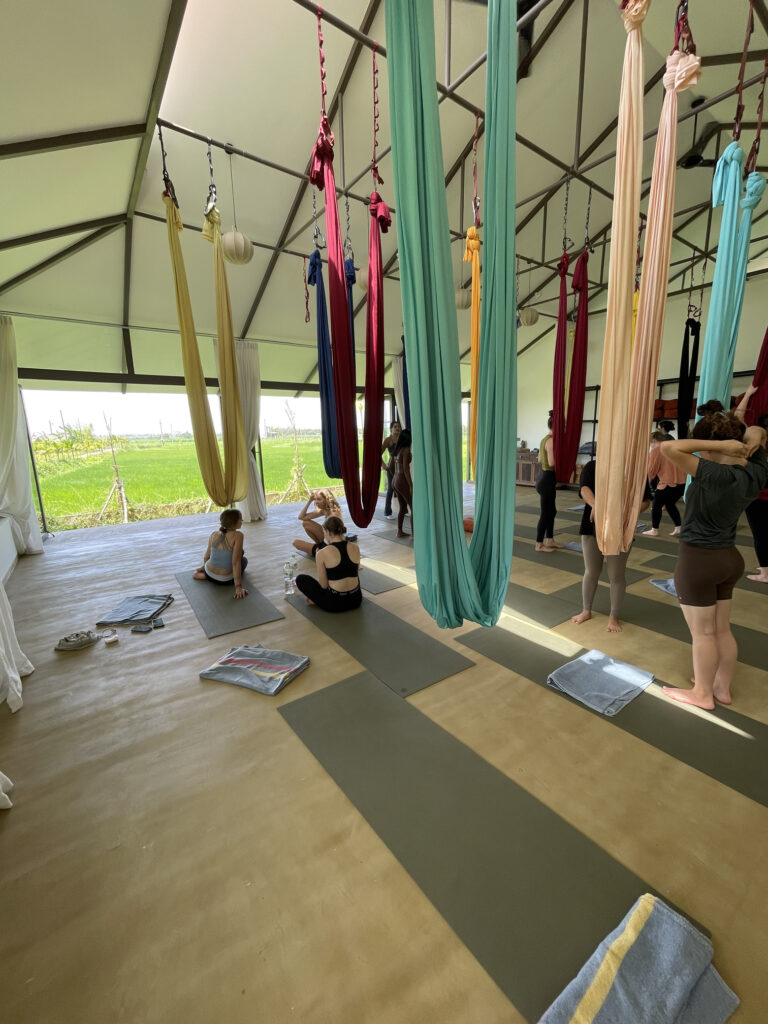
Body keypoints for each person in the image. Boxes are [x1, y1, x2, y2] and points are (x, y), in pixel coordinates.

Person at [659, 401, 768, 709]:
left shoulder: (714, 475)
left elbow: (670, 449)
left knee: (703, 634)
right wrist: (749, 441)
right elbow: (758, 430)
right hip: (729, 559)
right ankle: (720, 687)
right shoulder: (757, 471)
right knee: (720, 630)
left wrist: (716, 445)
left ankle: (702, 694)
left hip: (699, 563)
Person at [570, 458, 650, 633]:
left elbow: (646, 500)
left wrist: (627, 511)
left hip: (620, 528)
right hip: (592, 525)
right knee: (591, 571)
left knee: (616, 575)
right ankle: (586, 610)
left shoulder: (634, 470)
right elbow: (584, 489)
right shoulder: (593, 466)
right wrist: (596, 505)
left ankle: (614, 616)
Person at [734, 385, 768, 584]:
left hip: (758, 498)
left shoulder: (755, 449)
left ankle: (765, 572)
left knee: (761, 534)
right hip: (759, 497)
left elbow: (739, 418)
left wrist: (747, 394)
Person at [295, 516, 362, 613]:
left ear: (328, 532)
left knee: (300, 579)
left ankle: (317, 600)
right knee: (349, 571)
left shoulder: (321, 553)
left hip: (335, 604)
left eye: (324, 532)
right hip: (356, 600)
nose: (324, 535)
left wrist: (316, 597)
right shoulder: (356, 547)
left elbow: (324, 585)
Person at [193, 509, 248, 599]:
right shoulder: (238, 535)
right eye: (240, 519)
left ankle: (201, 573)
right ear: (234, 522)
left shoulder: (213, 534)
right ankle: (209, 573)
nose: (242, 521)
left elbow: (206, 556)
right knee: (244, 560)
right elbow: (236, 563)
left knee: (214, 560)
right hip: (226, 580)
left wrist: (204, 568)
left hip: (210, 575)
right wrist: (238, 587)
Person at [642, 430, 686, 537]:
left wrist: (646, 482)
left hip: (667, 484)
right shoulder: (672, 447)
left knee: (656, 505)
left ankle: (655, 530)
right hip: (682, 484)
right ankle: (678, 527)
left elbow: (652, 470)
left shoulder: (656, 450)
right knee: (670, 504)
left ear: (653, 440)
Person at [535, 411, 561, 552]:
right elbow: (551, 462)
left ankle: (549, 540)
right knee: (546, 512)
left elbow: (540, 459)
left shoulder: (544, 439)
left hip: (543, 477)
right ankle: (539, 544)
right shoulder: (551, 441)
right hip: (547, 479)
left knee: (552, 511)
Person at [293, 489, 342, 557]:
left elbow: (336, 537)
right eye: (315, 499)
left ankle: (319, 548)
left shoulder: (334, 514)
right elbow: (301, 517)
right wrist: (310, 501)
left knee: (296, 543)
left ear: (326, 500)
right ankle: (318, 545)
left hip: (330, 546)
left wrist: (322, 551)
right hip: (325, 541)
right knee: (306, 523)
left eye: (319, 499)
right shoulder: (323, 510)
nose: (316, 502)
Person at [391, 428, 413, 538]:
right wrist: (410, 485)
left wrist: (395, 476)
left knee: (403, 507)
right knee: (413, 507)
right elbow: (405, 468)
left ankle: (399, 531)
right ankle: (415, 534)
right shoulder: (406, 450)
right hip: (401, 479)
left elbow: (390, 466)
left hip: (395, 479)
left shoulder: (396, 450)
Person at [381, 420, 401, 519]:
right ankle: (387, 512)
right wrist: (383, 465)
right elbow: (378, 453)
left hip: (401, 467)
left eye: (398, 427)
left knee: (402, 488)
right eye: (395, 427)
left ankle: (404, 510)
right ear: (391, 429)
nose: (397, 428)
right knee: (390, 489)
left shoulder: (402, 439)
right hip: (392, 468)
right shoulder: (388, 440)